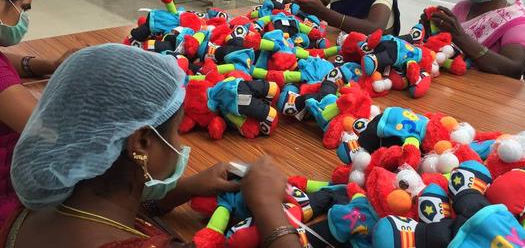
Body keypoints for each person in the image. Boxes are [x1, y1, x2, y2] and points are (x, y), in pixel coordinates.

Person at [0, 45, 302, 248]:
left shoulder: (33, 209)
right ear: (142, 142)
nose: (179, 145)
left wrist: (183, 189)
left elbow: (108, 212)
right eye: (174, 133)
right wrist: (267, 207)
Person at [0, 0, 75, 225]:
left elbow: (8, 61)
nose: (24, 19)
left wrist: (49, 65)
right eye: (23, 8)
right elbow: (49, 133)